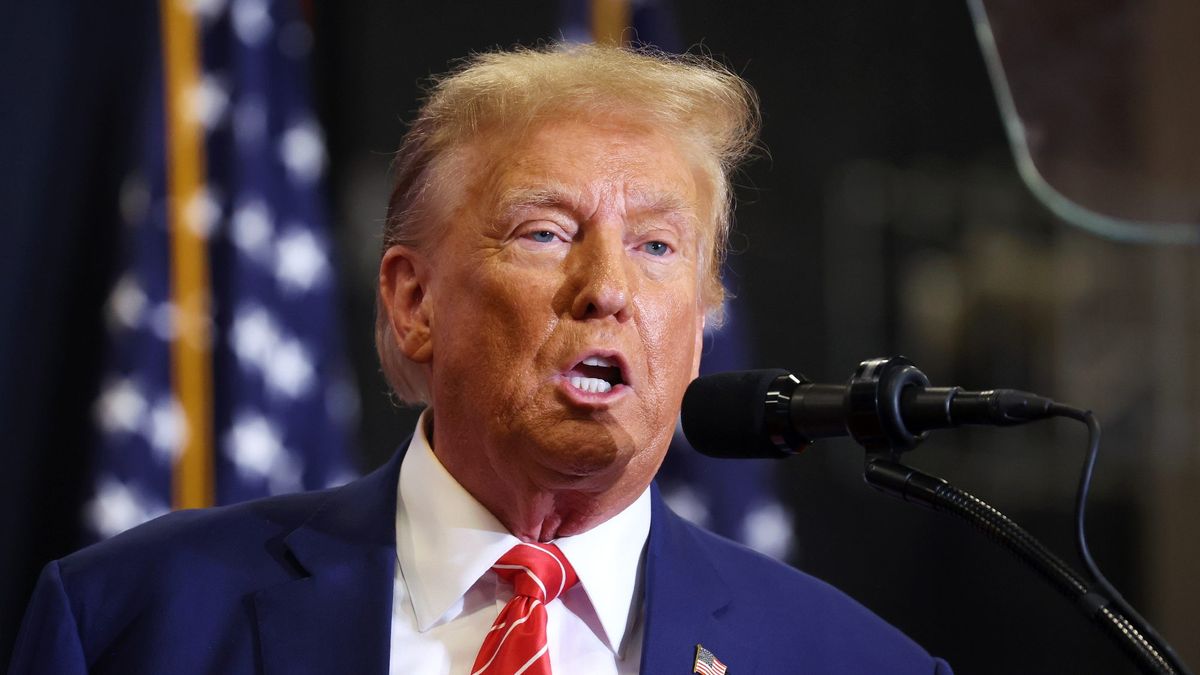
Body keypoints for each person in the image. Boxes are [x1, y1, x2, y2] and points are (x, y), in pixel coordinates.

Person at [10, 44, 951, 674]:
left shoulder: (853, 662)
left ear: (700, 327)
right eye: (546, 233)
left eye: (658, 247)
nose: (607, 287)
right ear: (414, 302)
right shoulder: (129, 621)